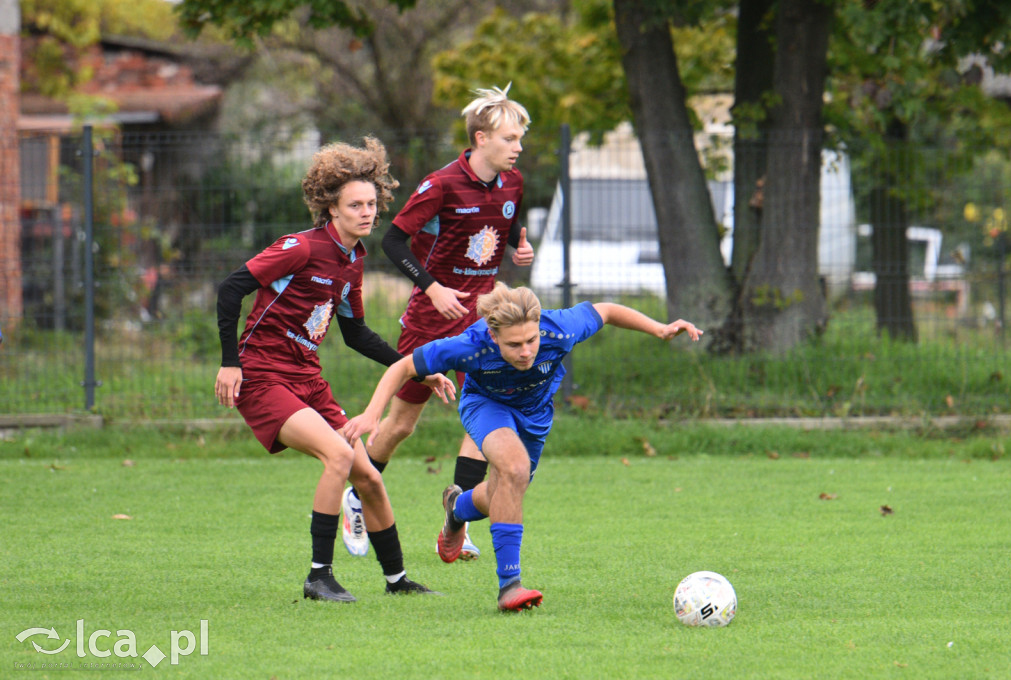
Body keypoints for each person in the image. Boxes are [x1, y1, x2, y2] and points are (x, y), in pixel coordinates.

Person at [343, 282, 703, 611]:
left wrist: (659, 328)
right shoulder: (469, 346)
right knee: (513, 469)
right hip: (486, 407)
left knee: (507, 488)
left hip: (535, 414)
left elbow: (605, 311)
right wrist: (374, 413)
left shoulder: (560, 328)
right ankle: (509, 586)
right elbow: (404, 367)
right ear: (493, 334)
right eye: (514, 344)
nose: (527, 351)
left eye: (531, 340)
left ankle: (458, 507)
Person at [214, 137, 454, 602]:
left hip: (308, 378)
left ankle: (396, 581)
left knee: (370, 478)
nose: (367, 213)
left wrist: (417, 369)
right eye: (355, 205)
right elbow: (230, 289)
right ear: (331, 209)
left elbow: (357, 334)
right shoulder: (300, 248)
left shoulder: (354, 260)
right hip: (263, 375)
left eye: (372, 204)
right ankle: (318, 576)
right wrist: (230, 362)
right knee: (340, 457)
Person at [341, 84, 534, 562]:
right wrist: (433, 287)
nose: (518, 147)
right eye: (510, 138)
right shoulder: (441, 185)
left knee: (481, 418)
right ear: (481, 137)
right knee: (403, 422)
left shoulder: (513, 183)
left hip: (484, 319)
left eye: (520, 139)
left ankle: (458, 520)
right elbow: (392, 242)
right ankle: (357, 492)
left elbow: (503, 231)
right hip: (432, 316)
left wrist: (519, 250)